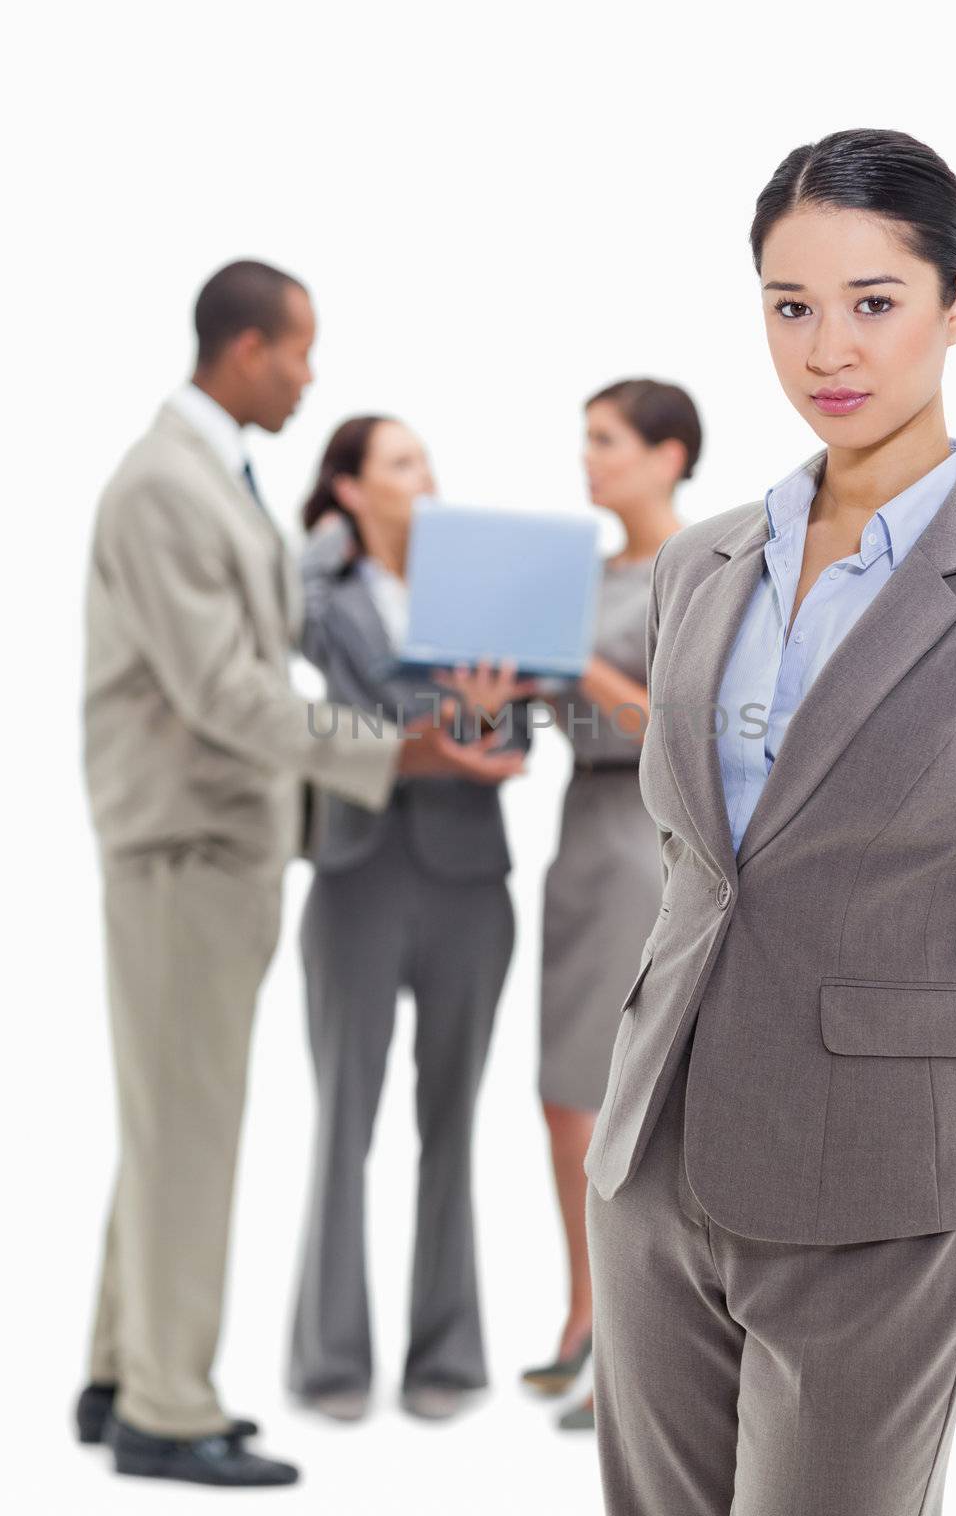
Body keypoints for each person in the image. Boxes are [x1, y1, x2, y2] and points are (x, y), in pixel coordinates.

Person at [584, 128, 956, 1515]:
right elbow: (699, 866)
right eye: (788, 307)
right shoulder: (700, 560)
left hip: (882, 1180)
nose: (825, 349)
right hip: (652, 1156)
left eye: (871, 302)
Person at [76, 264, 523, 1489]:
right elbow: (226, 691)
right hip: (189, 842)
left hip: (221, 840)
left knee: (171, 1114)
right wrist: (403, 749)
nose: (310, 374)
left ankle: (119, 1372)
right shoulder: (169, 482)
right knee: (195, 1126)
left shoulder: (219, 477)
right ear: (244, 347)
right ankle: (169, 1410)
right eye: (298, 352)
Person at [287, 416, 534, 1424]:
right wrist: (318, 543)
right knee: (342, 1120)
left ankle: (446, 1356)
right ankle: (329, 1362)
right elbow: (263, 634)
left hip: (467, 875)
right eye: (397, 462)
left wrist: (472, 722)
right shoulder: (323, 591)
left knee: (451, 1123)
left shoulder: (473, 585)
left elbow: (507, 735)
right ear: (348, 488)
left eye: (423, 459)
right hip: (354, 868)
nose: (421, 476)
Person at [520, 380, 700, 1430]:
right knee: (563, 1095)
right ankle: (584, 1314)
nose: (588, 461)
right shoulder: (578, 577)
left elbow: (668, 725)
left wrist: (569, 661)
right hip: (577, 839)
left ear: (667, 454)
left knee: (633, 1103)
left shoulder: (701, 569)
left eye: (608, 442)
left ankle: (638, 1348)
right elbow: (557, 710)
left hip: (650, 838)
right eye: (583, 441)